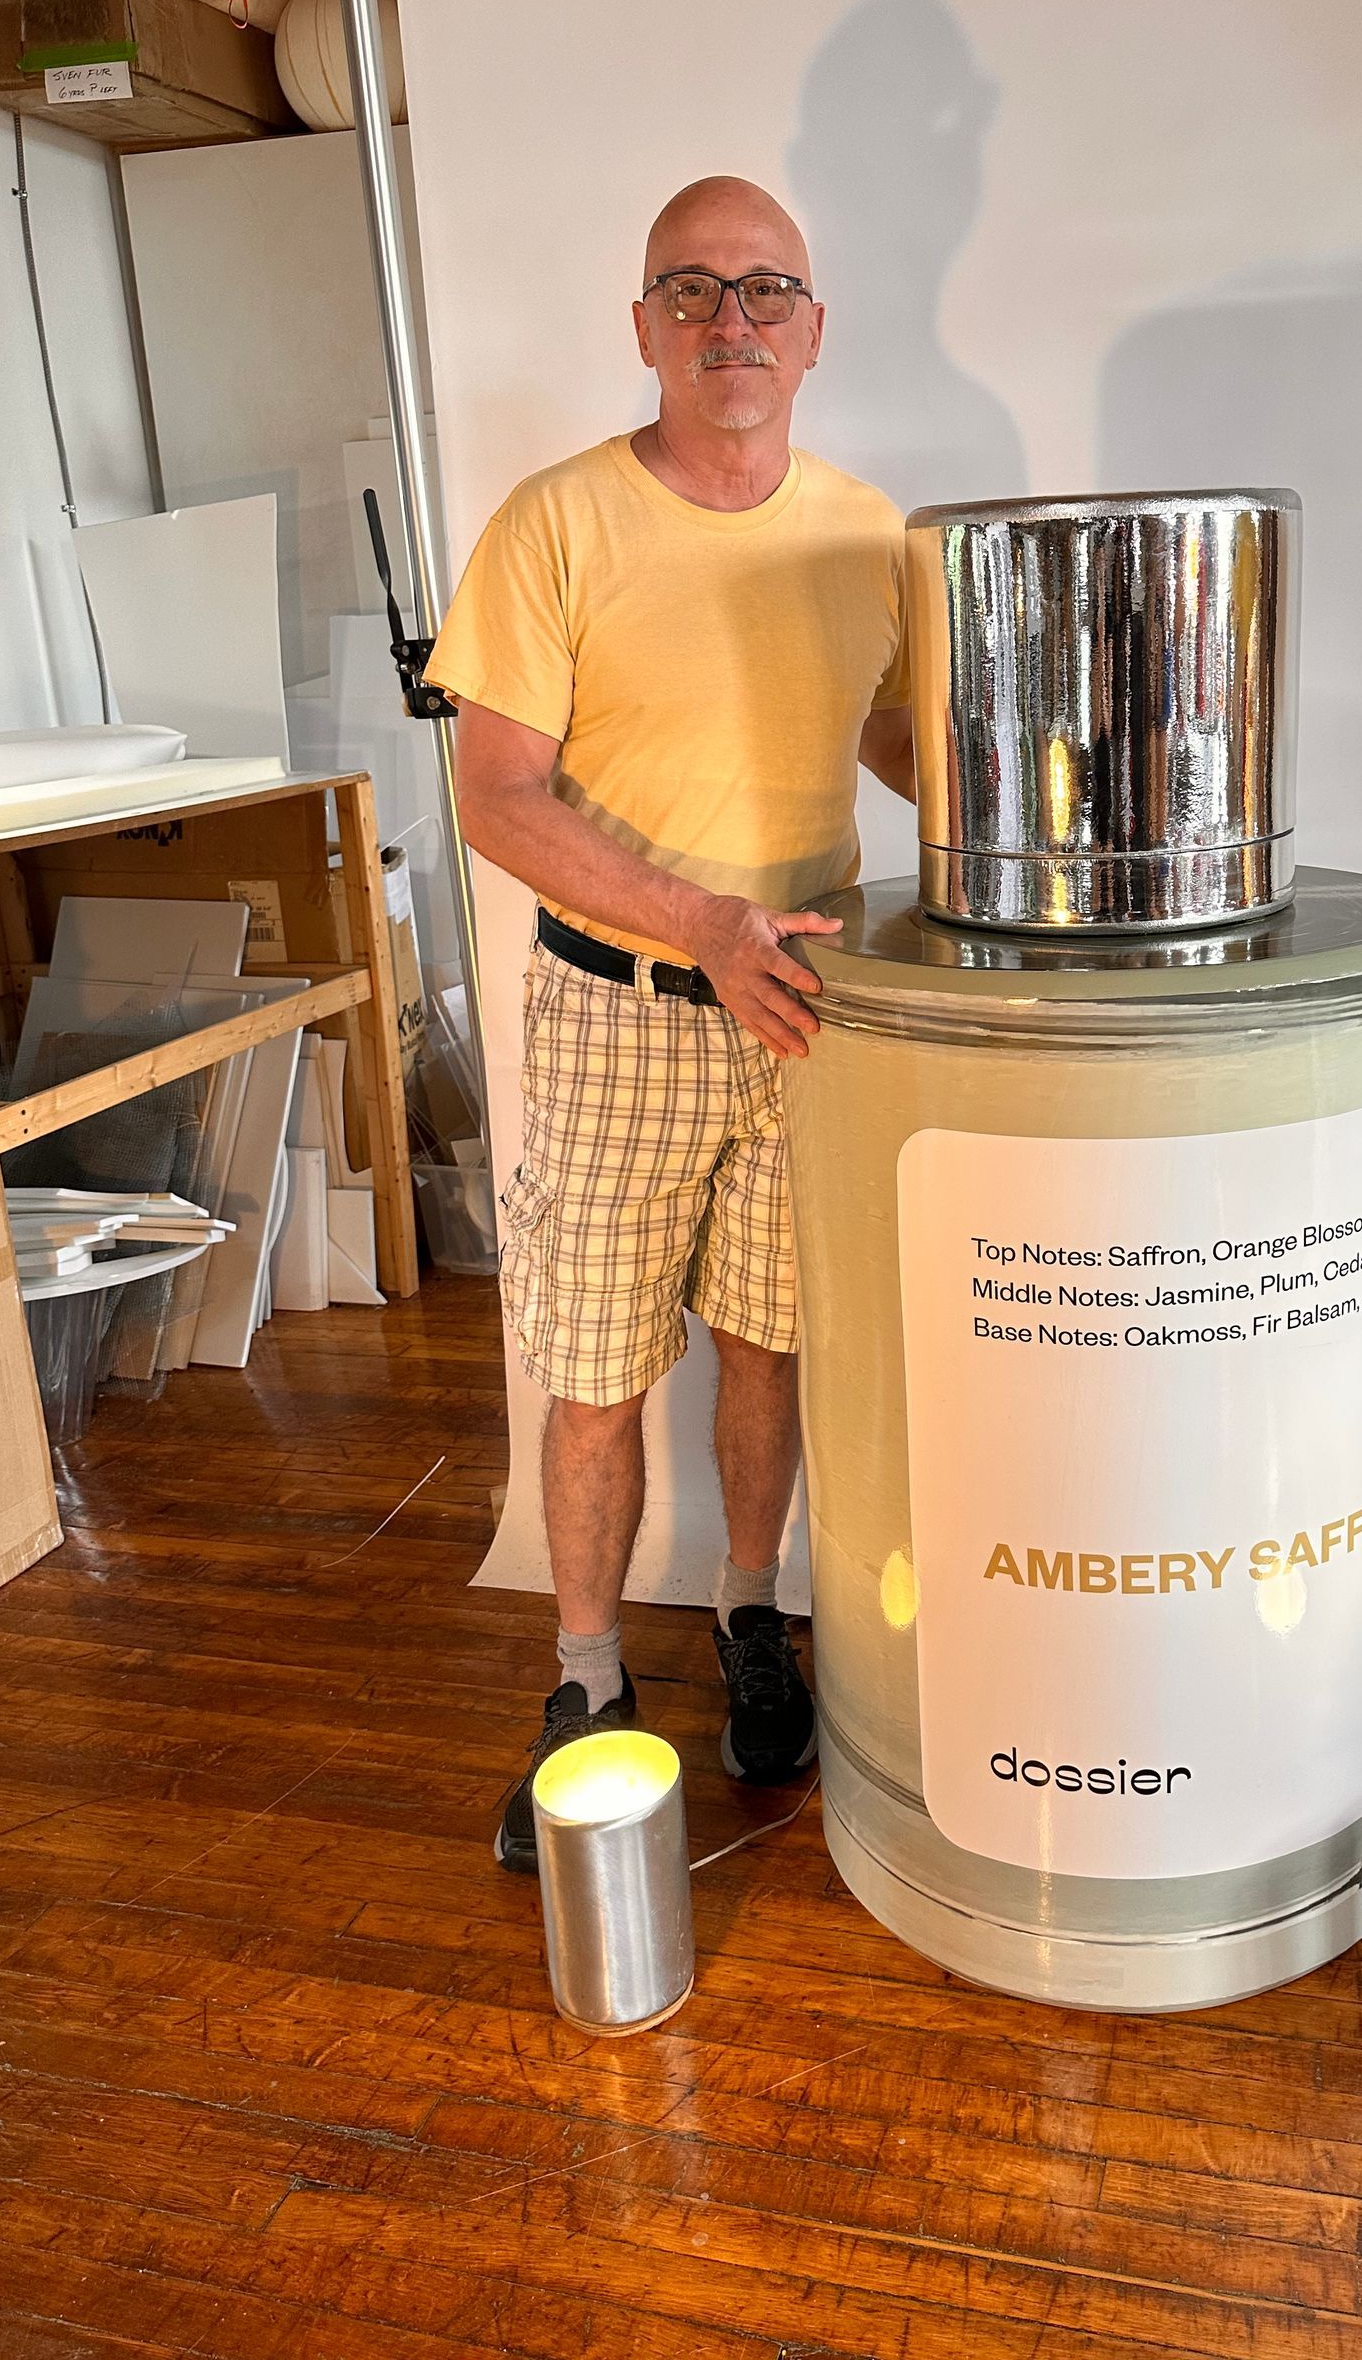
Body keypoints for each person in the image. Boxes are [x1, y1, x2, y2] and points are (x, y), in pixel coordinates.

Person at [424, 174, 914, 1871]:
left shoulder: (870, 534)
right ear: (642, 327)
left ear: (813, 332)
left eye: (766, 290)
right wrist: (699, 923)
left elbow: (912, 752)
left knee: (771, 1347)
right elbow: (494, 795)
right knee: (595, 1371)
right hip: (622, 1004)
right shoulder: (554, 525)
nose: (732, 323)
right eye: (693, 291)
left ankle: (752, 1627)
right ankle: (582, 1685)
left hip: (801, 1012)